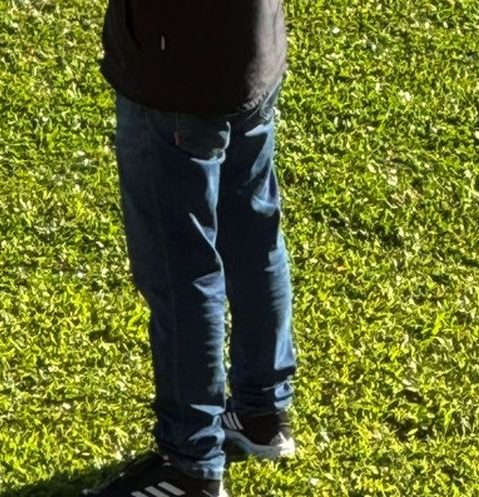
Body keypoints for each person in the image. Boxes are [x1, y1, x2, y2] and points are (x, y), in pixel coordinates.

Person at [84, 1, 297, 496]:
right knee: (254, 236)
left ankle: (190, 463)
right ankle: (262, 413)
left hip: (176, 69)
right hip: (252, 50)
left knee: (181, 269)